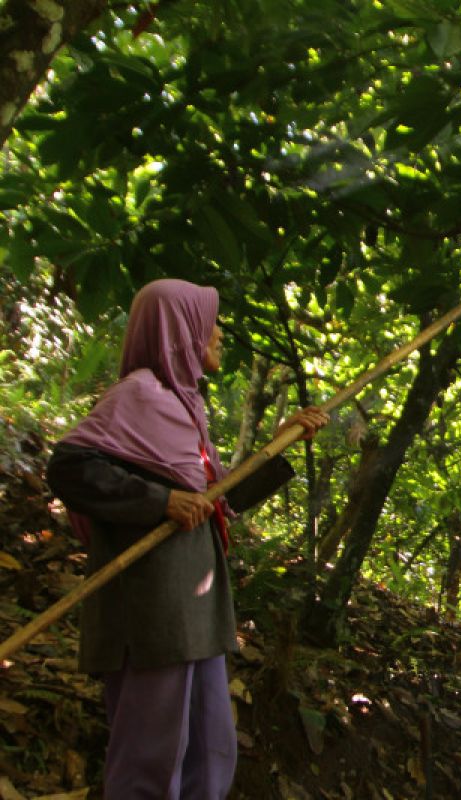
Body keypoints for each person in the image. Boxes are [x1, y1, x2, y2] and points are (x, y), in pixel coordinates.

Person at [45, 278, 329, 799]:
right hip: (152, 613)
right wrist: (160, 502)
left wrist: (279, 446)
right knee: (152, 755)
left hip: (195, 612)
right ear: (178, 332)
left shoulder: (185, 409)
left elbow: (219, 502)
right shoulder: (137, 395)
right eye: (207, 321)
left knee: (209, 745)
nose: (218, 332)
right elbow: (68, 468)